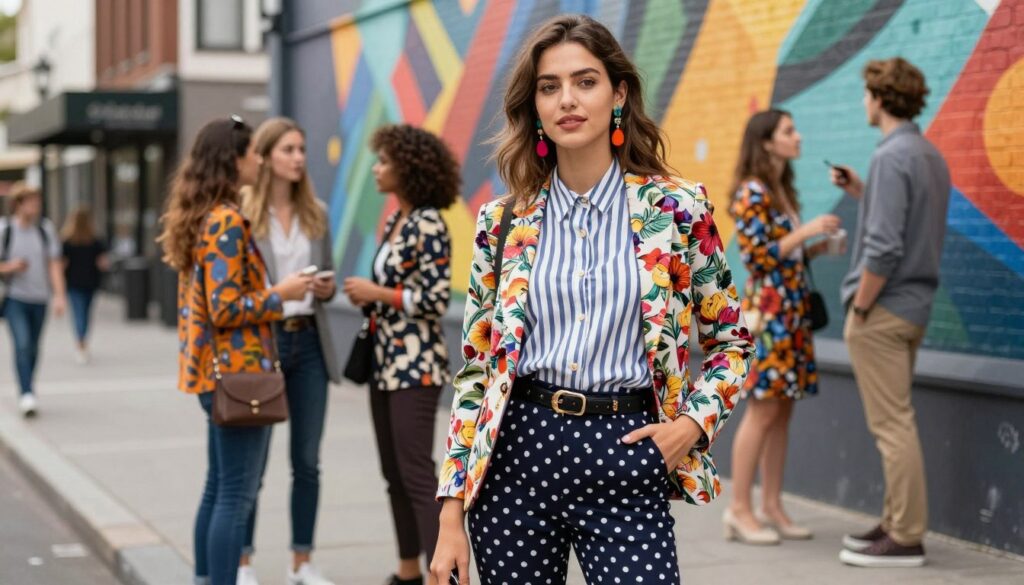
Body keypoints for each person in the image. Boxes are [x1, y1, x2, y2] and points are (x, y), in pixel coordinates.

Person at [430, 14, 754, 585]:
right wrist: (451, 510)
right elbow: (477, 371)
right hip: (516, 456)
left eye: (585, 81)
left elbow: (731, 341)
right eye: (549, 87)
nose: (567, 101)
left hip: (628, 448)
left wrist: (691, 428)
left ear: (619, 92)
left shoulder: (677, 210)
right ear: (533, 106)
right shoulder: (501, 223)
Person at [157, 115, 313, 585]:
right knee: (234, 495)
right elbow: (225, 308)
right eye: (253, 153)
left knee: (217, 488)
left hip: (215, 374)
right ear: (233, 159)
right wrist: (281, 294)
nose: (259, 160)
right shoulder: (225, 220)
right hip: (239, 374)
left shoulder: (204, 215)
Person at [829, 57, 950, 568]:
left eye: (865, 94)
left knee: (892, 424)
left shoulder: (891, 157)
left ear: (880, 98)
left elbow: (881, 248)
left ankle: (906, 535)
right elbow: (908, 222)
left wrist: (860, 305)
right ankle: (895, 520)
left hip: (882, 309)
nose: (863, 102)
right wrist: (862, 191)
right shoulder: (927, 155)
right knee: (895, 419)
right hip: (914, 307)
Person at [342, 123, 459, 585]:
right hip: (385, 363)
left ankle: (442, 574)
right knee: (393, 471)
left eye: (384, 161)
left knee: (415, 472)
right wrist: (371, 296)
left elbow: (432, 299)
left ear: (407, 168)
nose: (376, 169)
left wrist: (379, 292)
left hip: (417, 363)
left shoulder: (429, 222)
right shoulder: (396, 220)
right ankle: (408, 569)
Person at [725, 110, 842, 545]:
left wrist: (815, 248)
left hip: (790, 313)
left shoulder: (778, 190)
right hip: (770, 316)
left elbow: (783, 256)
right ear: (767, 142)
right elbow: (758, 259)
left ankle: (771, 504)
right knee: (763, 409)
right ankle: (739, 508)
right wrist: (806, 230)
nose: (798, 137)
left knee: (783, 409)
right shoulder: (750, 192)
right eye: (789, 131)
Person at [238, 117, 340, 585]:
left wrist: (324, 287)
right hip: (264, 342)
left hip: (309, 341)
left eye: (301, 149)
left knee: (307, 460)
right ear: (265, 156)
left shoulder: (316, 212)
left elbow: (330, 277)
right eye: (288, 150)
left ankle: (302, 561)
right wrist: (282, 288)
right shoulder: (243, 212)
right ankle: (242, 561)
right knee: (253, 463)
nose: (298, 157)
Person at [0, 183, 67, 417]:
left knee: (34, 348)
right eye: (30, 202)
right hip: (15, 298)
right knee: (22, 344)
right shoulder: (5, 230)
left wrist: (59, 296)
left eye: (37, 202)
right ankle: (26, 392)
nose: (35, 206)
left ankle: (29, 386)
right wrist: (11, 267)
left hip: (40, 298)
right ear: (18, 204)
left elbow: (54, 265)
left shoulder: (44, 230)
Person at [60, 207, 110, 364]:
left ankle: (80, 343)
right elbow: (103, 263)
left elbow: (62, 265)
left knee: (78, 313)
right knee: (86, 313)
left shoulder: (67, 241)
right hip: (90, 282)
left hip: (74, 283)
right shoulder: (95, 240)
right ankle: (82, 342)